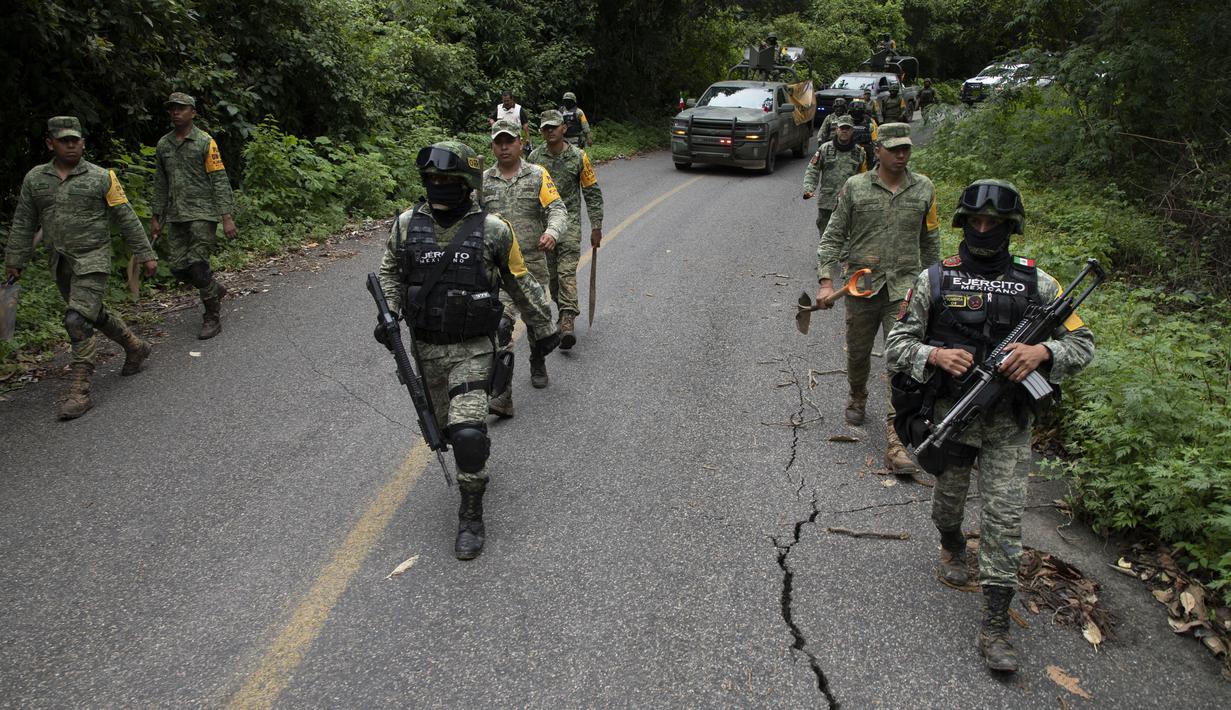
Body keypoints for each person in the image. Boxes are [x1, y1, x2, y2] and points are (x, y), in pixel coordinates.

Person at [884, 179, 1095, 672]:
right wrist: (933, 353)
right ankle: (953, 544)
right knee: (947, 509)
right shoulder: (933, 280)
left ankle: (996, 626)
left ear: (1009, 229)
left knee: (1004, 522)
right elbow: (896, 342)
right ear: (962, 224)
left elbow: (1083, 346)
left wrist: (1043, 351)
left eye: (993, 224)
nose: (983, 231)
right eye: (975, 222)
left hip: (1009, 426)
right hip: (954, 420)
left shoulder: (1040, 284)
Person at [375, 140, 560, 560]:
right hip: (425, 350)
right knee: (443, 433)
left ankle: (471, 511)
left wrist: (543, 326)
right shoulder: (405, 225)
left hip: (473, 347)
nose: (439, 185)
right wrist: (386, 315)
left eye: (448, 178)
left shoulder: (494, 229)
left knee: (469, 434)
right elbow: (390, 272)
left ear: (466, 181)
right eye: (432, 179)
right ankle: (467, 459)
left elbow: (520, 280)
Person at [4, 116, 159, 420]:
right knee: (91, 313)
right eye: (64, 140)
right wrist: (15, 260)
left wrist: (145, 253)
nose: (71, 144)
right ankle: (135, 346)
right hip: (60, 261)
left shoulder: (102, 177)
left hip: (93, 258)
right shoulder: (36, 180)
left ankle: (80, 391)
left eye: (76, 139)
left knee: (76, 319)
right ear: (50, 143)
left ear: (83, 142)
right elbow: (24, 221)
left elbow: (126, 217)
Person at [816, 122, 939, 472]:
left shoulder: (924, 189)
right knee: (858, 352)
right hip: (862, 286)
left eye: (906, 149)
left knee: (899, 361)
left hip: (905, 289)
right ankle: (857, 392)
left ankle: (896, 439)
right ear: (878, 151)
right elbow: (832, 236)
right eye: (894, 148)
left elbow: (931, 242)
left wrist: (938, 288)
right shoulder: (855, 188)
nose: (902, 155)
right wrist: (826, 281)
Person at [480, 119, 568, 414]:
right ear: (492, 146)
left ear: (520, 144)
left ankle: (537, 360)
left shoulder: (537, 175)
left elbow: (557, 208)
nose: (504, 147)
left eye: (509, 141)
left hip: (531, 266)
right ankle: (502, 396)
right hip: (497, 271)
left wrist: (552, 233)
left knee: (536, 328)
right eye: (498, 142)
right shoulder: (483, 182)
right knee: (500, 328)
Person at [150, 92, 236, 339]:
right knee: (178, 268)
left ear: (193, 113)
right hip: (176, 215)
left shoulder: (205, 142)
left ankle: (211, 316)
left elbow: (219, 179)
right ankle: (213, 288)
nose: (176, 112)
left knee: (197, 266)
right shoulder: (164, 145)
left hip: (203, 213)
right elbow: (160, 182)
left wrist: (226, 216)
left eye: (181, 108)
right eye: (172, 109)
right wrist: (156, 216)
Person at [528, 110, 605, 349]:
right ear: (541, 131)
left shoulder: (579, 157)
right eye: (545, 128)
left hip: (569, 225)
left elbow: (592, 192)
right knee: (551, 277)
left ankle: (568, 319)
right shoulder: (534, 157)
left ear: (564, 128)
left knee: (566, 272)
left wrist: (596, 226)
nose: (550, 131)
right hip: (545, 228)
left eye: (554, 127)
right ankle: (562, 313)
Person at [802, 115, 867, 240]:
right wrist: (809, 188)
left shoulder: (859, 152)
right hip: (827, 201)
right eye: (842, 128)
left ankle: (844, 258)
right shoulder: (825, 149)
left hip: (849, 202)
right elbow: (813, 169)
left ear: (852, 131)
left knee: (847, 236)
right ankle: (826, 258)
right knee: (825, 234)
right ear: (837, 129)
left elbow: (864, 177)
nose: (844, 131)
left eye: (848, 128)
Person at [847, 98, 879, 167]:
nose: (857, 114)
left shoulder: (870, 122)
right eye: (854, 112)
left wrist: (876, 154)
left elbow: (875, 139)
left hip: (866, 151)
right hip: (848, 150)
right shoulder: (845, 121)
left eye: (859, 112)